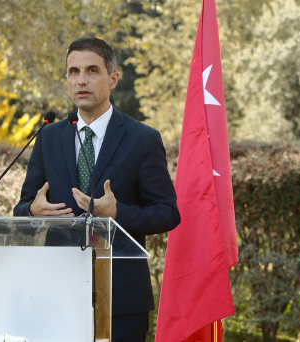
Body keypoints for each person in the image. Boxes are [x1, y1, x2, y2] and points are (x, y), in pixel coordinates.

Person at [13, 37, 181, 342]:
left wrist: (117, 213)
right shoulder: (48, 137)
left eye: (92, 71)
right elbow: (23, 206)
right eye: (73, 72)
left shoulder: (142, 139)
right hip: (56, 296)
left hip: (120, 301)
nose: (81, 80)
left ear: (112, 79)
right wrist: (32, 210)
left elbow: (168, 213)